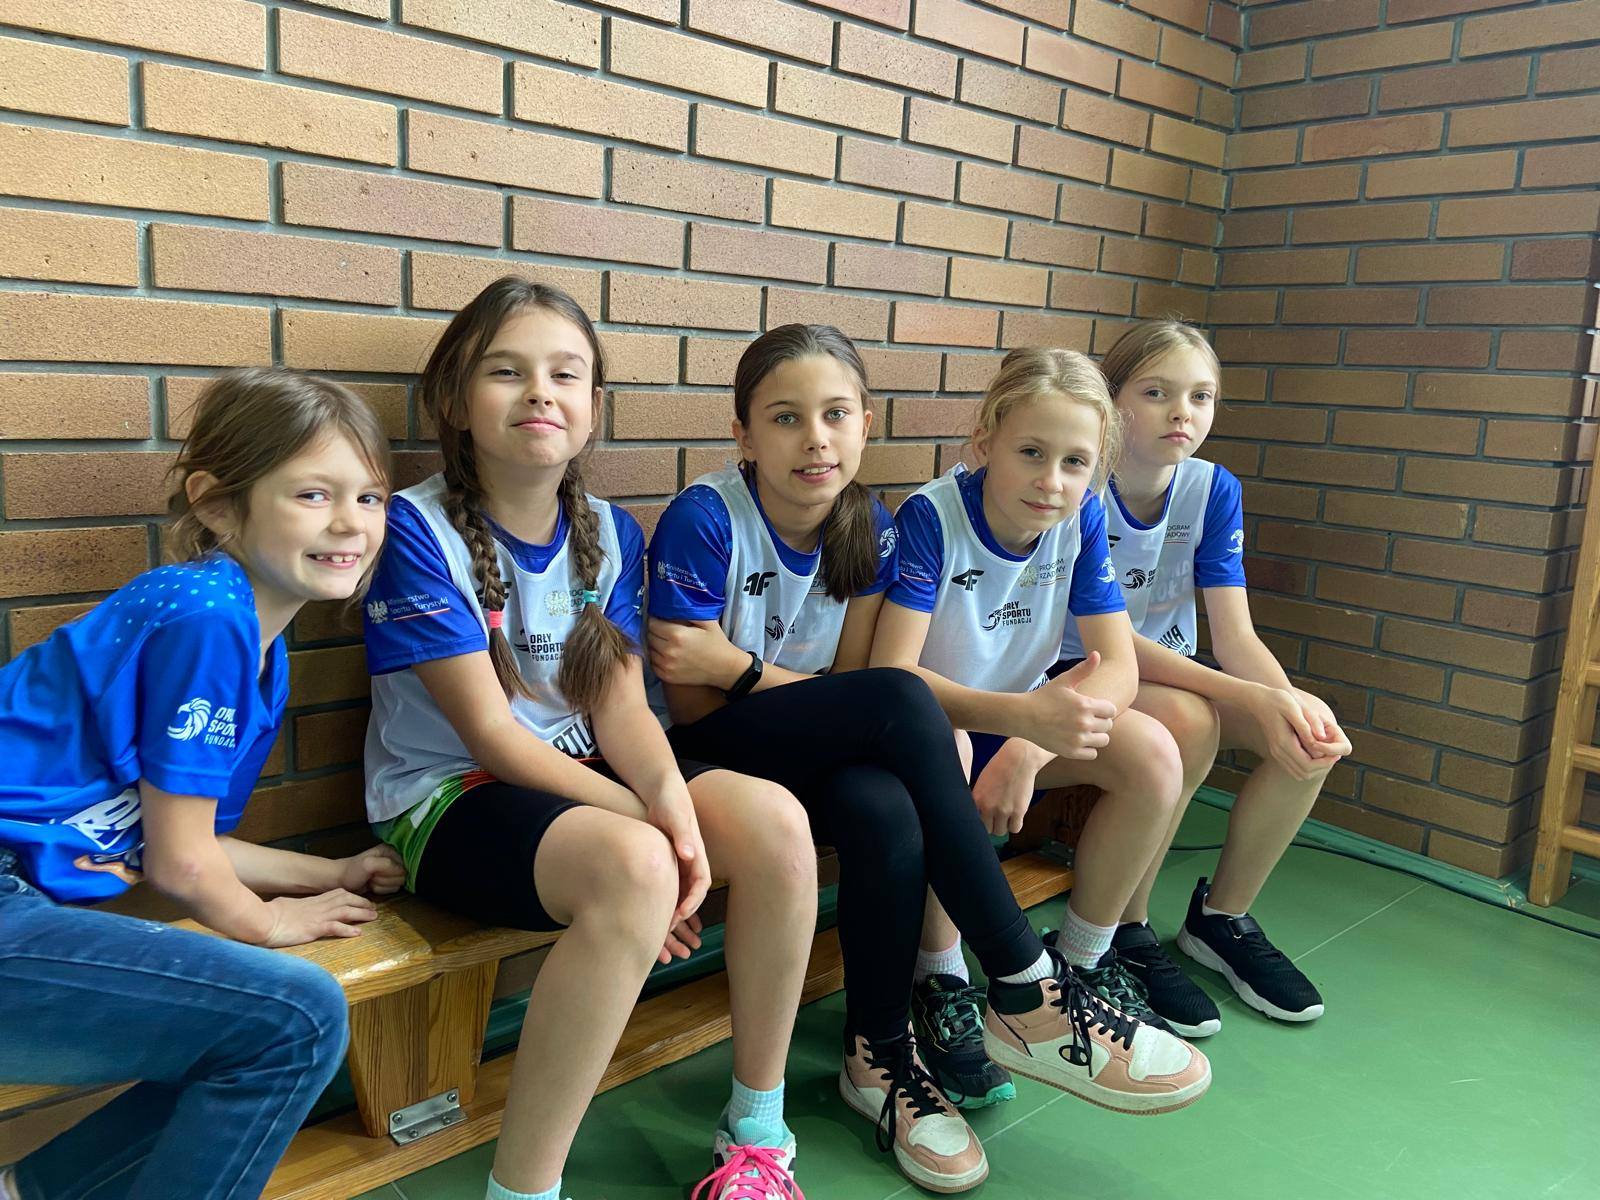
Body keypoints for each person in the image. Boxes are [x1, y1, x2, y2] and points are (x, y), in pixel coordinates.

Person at [650, 325, 1210, 1195]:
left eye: (836, 415)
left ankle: (878, 1057)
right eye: (786, 418)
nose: (815, 439)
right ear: (743, 434)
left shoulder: (867, 524)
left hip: (803, 734)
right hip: (712, 749)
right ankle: (1022, 981)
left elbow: (844, 692)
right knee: (907, 700)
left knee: (885, 806)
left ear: (866, 425)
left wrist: (736, 665)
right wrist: (743, 676)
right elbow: (695, 703)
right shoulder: (706, 517)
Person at [361, 277, 815, 1200]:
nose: (540, 391)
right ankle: (523, 1190)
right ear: (455, 400)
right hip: (447, 797)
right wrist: (656, 836)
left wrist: (673, 809)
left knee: (775, 822)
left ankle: (758, 1131)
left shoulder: (609, 531)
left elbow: (623, 712)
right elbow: (492, 738)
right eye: (506, 371)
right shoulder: (413, 529)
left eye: (565, 374)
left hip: (577, 773)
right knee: (637, 868)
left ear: (593, 407)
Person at [0, 368, 402, 1200]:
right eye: (314, 494)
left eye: (370, 497)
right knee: (294, 1021)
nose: (350, 523)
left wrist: (328, 873)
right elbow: (183, 867)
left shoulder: (252, 640)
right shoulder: (208, 616)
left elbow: (182, 841)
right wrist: (269, 922)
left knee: (257, 1026)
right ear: (218, 505)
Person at [1063, 319, 1350, 1034]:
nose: (1181, 413)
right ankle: (1127, 929)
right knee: (1194, 719)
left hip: (1179, 672)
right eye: (1156, 392)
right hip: (1085, 668)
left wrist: (1284, 701)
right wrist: (1242, 692)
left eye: (1201, 396)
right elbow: (1115, 643)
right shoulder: (1077, 482)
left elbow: (1235, 636)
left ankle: (1221, 918)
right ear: (1112, 400)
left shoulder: (1213, 488)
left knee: (1311, 734)